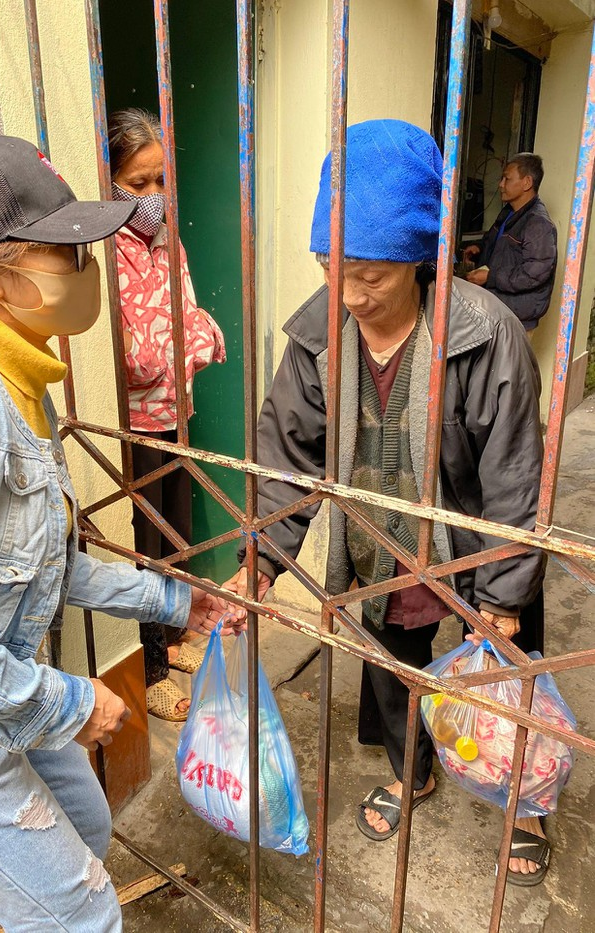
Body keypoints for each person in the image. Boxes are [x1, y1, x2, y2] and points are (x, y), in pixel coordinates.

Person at [0, 134, 242, 932]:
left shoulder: (23, 381)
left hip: (2, 692)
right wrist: (69, 702)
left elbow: (52, 566)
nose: (88, 266)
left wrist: (173, 601)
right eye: (65, 252)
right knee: (84, 911)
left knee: (88, 831)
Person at [224, 121, 550, 885]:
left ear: (419, 257)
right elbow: (285, 456)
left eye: (370, 273)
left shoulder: (485, 333)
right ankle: (417, 768)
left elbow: (514, 473)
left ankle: (525, 798)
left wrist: (503, 593)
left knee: (503, 668)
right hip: (379, 535)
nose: (350, 294)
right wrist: (263, 561)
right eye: (332, 268)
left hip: (472, 535)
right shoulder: (314, 336)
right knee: (391, 657)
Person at [108, 108, 227, 722]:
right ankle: (148, 665)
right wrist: (179, 342)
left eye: (161, 181)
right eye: (137, 183)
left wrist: (177, 344)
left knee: (177, 538)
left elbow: (205, 329)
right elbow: (130, 361)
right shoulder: (104, 250)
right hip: (130, 425)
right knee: (143, 548)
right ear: (110, 182)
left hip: (176, 414)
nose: (154, 197)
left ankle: (174, 637)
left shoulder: (166, 240)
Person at [465, 153, 557, 340]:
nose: (500, 184)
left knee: (506, 369)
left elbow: (533, 274)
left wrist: (490, 277)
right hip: (498, 308)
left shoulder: (538, 223)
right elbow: (497, 242)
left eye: (507, 178)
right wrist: (479, 249)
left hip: (517, 317)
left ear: (527, 183)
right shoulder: (509, 212)